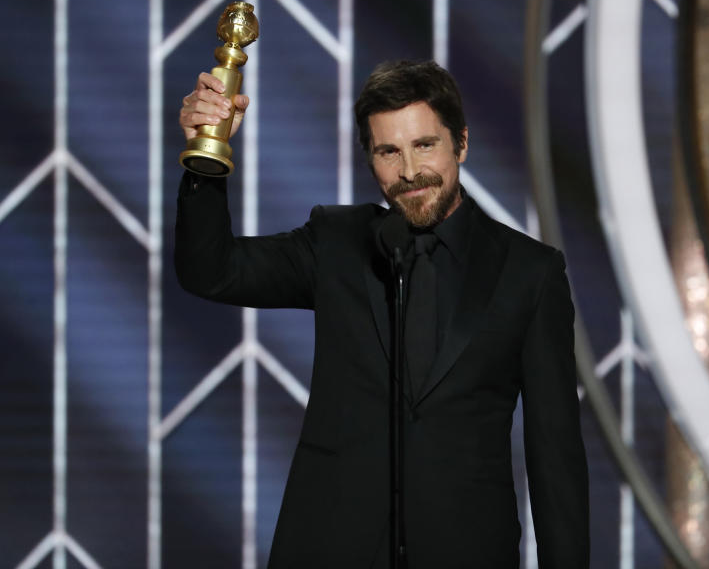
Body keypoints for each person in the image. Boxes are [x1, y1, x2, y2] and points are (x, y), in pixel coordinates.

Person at [175, 60, 589, 568]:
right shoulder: (336, 243)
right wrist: (205, 156)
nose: (410, 171)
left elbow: (556, 461)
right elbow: (211, 271)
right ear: (370, 161)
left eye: (425, 145)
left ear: (461, 143)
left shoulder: (530, 273)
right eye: (388, 152)